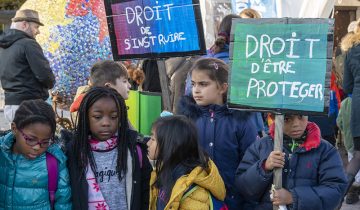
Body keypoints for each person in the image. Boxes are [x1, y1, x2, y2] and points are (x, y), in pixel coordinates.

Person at [177, 58, 258, 210]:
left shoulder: (241, 121)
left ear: (222, 87)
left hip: (232, 200)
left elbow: (251, 165)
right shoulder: (187, 118)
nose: (196, 90)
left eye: (203, 84)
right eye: (193, 84)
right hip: (195, 199)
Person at [235, 114, 347, 210]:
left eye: (301, 117)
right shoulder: (261, 146)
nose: (296, 124)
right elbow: (243, 188)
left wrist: (293, 197)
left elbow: (336, 191)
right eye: (287, 118)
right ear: (274, 118)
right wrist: (264, 167)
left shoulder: (324, 150)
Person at [65, 87, 151, 210]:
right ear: (86, 117)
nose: (106, 123)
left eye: (113, 117)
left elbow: (145, 193)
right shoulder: (73, 152)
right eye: (97, 117)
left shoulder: (134, 151)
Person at [0, 99, 71, 209]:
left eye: (45, 141)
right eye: (31, 139)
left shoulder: (54, 162)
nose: (37, 147)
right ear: (14, 129)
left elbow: (63, 202)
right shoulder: (2, 154)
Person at [147, 115, 226, 210]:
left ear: (171, 145)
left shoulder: (194, 193)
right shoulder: (166, 171)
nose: (148, 143)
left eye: (153, 139)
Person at [0, 9, 55, 124]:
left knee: (18, 141)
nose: (38, 31)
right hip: (31, 107)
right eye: (36, 27)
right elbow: (45, 75)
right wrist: (51, 83)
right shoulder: (29, 44)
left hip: (10, 106)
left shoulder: (3, 47)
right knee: (39, 141)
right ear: (25, 24)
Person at [342, 18, 360, 197]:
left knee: (358, 156)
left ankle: (340, 197)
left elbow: (347, 86)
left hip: (358, 107)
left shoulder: (351, 51)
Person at [337, 94, 360, 204]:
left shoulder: (345, 102)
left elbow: (339, 122)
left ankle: (351, 193)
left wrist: (346, 131)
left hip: (351, 141)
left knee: (353, 164)